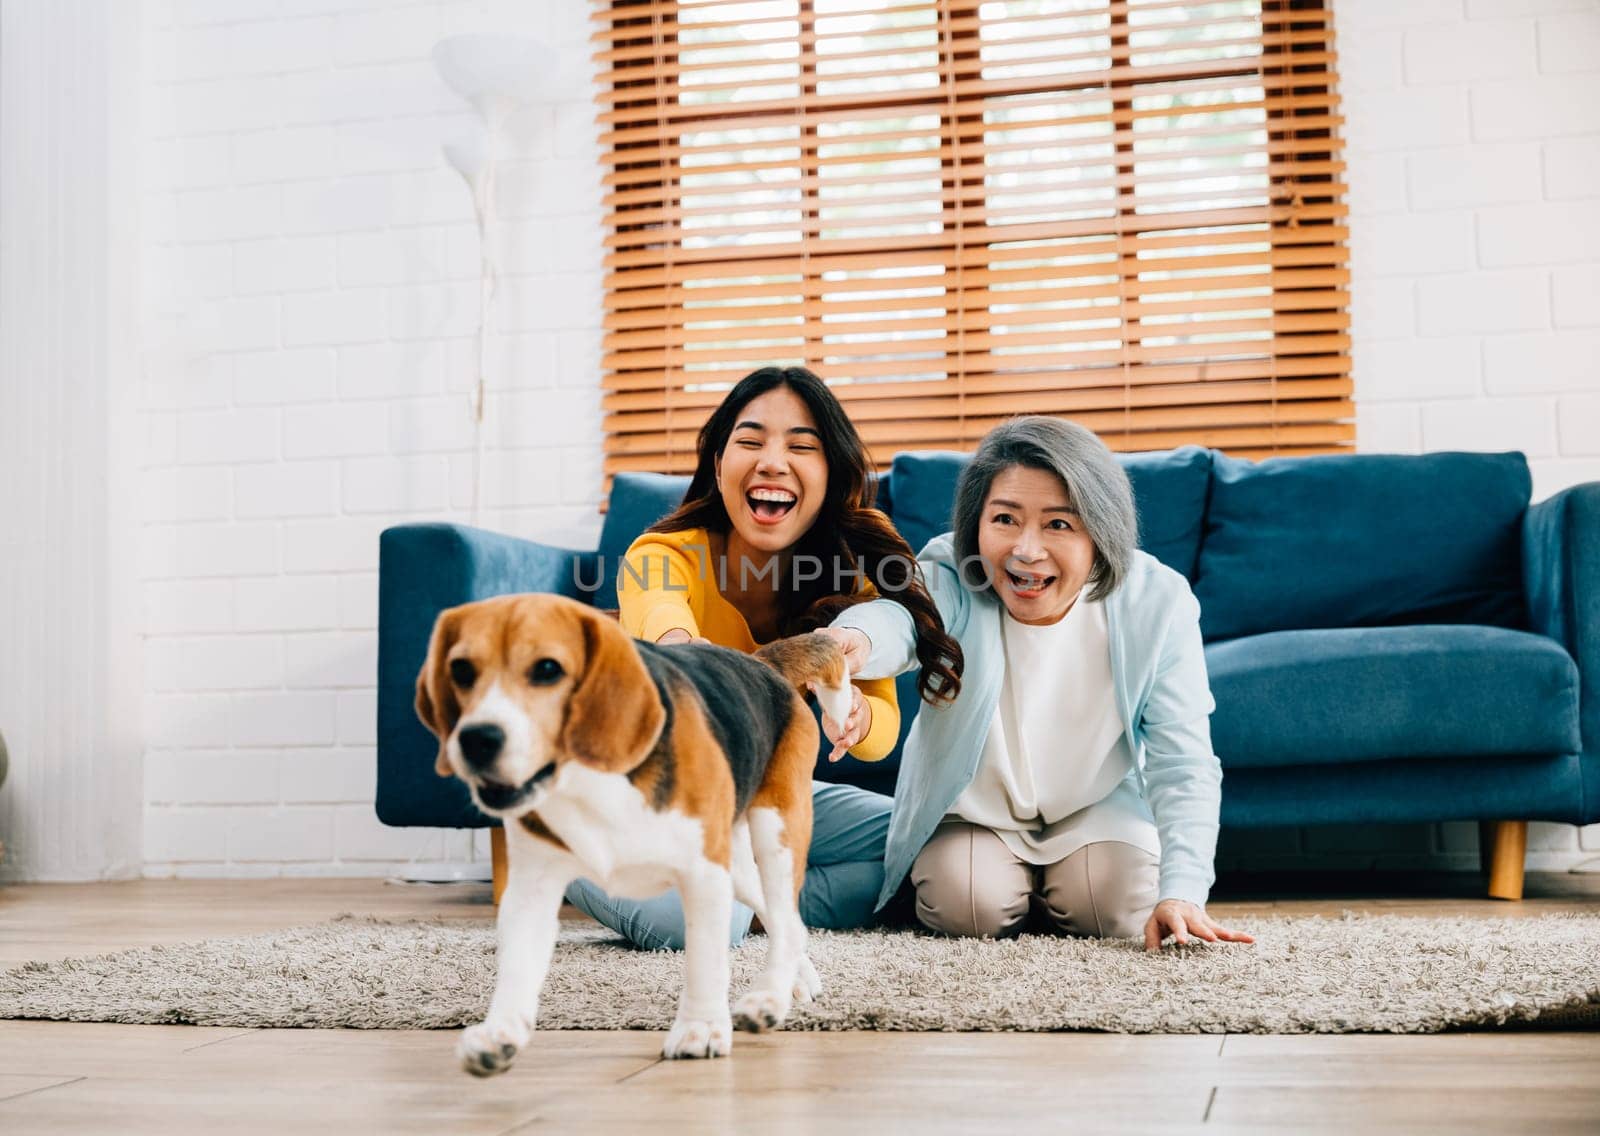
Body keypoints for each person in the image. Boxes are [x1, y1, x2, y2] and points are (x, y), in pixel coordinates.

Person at [565, 365, 962, 950]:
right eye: (750, 442)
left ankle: (747, 902)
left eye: (802, 446)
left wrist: (855, 712)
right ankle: (570, 847)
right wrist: (682, 650)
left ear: (831, 473)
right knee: (702, 922)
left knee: (928, 850)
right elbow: (659, 615)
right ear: (719, 462)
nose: (772, 461)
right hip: (639, 796)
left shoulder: (854, 570)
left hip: (758, 799)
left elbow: (883, 736)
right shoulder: (662, 552)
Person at [828, 416, 1253, 951]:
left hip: (1098, 807)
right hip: (975, 812)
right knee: (964, 905)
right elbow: (902, 620)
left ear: (1102, 530)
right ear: (974, 524)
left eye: (1059, 524)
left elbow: (1182, 759)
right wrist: (854, 641)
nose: (1027, 550)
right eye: (1004, 518)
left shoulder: (1158, 602)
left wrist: (1185, 892)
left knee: (1115, 905)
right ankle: (1022, 893)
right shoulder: (955, 574)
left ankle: (1054, 893)